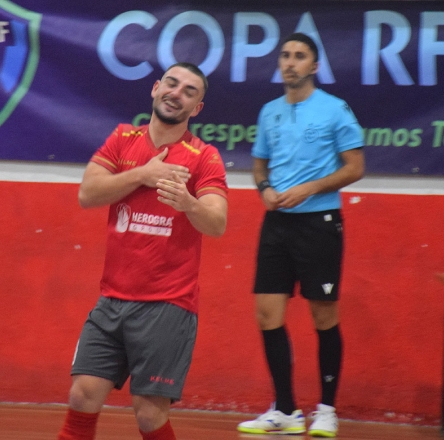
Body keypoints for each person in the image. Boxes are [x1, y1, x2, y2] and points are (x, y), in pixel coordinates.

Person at [57, 62, 228, 440]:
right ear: (155, 88)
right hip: (111, 300)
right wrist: (142, 175)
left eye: (189, 91)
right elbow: (88, 194)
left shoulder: (204, 157)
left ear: (196, 108)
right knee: (82, 395)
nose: (176, 93)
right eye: (171, 83)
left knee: (149, 414)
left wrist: (188, 203)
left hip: (167, 304)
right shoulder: (123, 138)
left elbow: (217, 222)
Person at [236, 33, 365, 438]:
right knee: (267, 315)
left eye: (300, 57)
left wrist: (309, 188)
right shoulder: (269, 111)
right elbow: (259, 166)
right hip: (277, 226)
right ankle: (287, 410)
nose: (290, 62)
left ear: (313, 66)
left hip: (320, 224)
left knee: (323, 315)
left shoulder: (334, 109)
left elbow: (355, 167)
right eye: (285, 56)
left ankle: (326, 409)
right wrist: (264, 190)